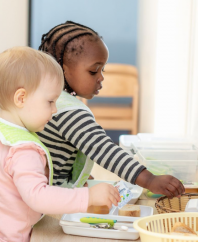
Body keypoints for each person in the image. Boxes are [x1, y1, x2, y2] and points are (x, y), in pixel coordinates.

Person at [0, 47, 120, 242]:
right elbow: (38, 197)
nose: (55, 110)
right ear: (21, 98)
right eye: (50, 102)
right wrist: (87, 197)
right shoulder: (24, 148)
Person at [37, 21, 185, 198]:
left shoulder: (52, 100)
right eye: (93, 71)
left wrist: (81, 178)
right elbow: (104, 150)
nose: (101, 78)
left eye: (102, 70)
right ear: (62, 70)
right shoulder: (68, 111)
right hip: (52, 197)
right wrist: (149, 180)